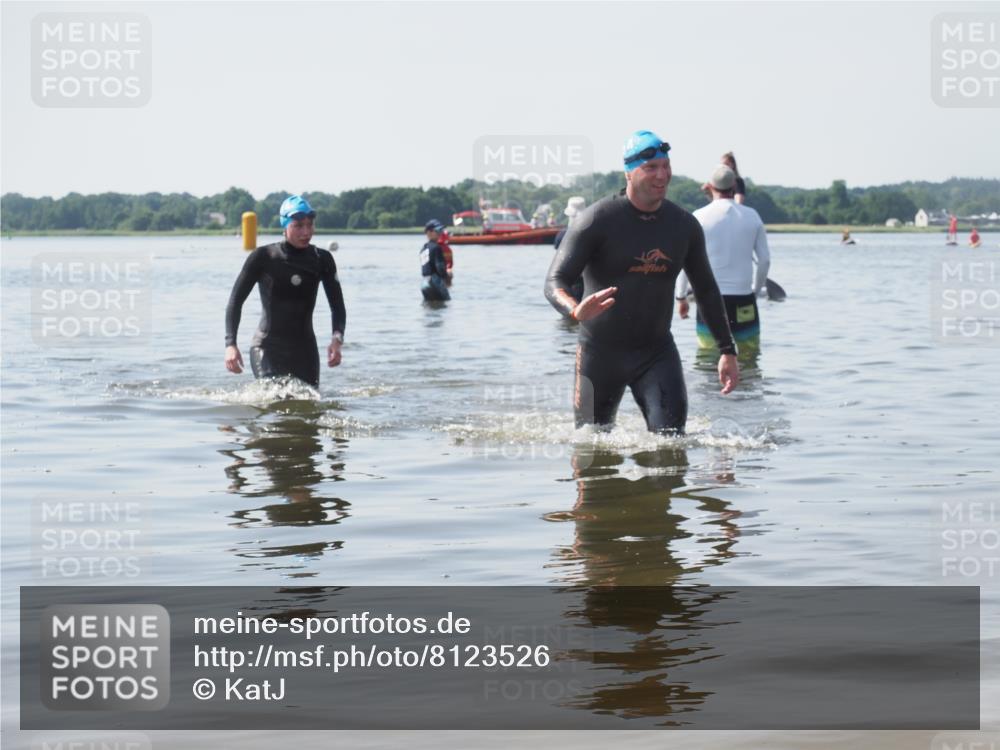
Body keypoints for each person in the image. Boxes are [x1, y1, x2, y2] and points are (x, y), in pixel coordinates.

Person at [544, 130, 739, 435]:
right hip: (599, 353)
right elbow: (556, 280)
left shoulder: (684, 226)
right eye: (651, 168)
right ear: (629, 172)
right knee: (590, 448)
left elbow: (707, 290)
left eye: (666, 166)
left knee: (671, 447)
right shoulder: (597, 220)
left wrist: (727, 350)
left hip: (656, 353)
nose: (662, 175)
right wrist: (574, 310)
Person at [224, 195, 345, 387]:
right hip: (267, 347)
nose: (306, 231)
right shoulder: (264, 257)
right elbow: (235, 301)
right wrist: (230, 344)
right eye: (298, 226)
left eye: (310, 224)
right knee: (274, 398)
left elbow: (337, 305)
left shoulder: (322, 259)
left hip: (304, 350)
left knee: (309, 405)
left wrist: (337, 340)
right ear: (285, 225)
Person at [676, 165, 771, 353]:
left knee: (708, 358)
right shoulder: (752, 216)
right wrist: (756, 291)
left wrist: (680, 298)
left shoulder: (699, 217)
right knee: (749, 356)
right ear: (734, 186)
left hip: (709, 303)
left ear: (710, 186)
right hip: (744, 299)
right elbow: (765, 261)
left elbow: (685, 262)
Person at [552, 196, 587, 311]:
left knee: (571, 312)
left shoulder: (562, 235)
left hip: (568, 279)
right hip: (588, 280)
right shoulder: (592, 232)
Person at [421, 219, 451, 301]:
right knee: (445, 303)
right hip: (435, 281)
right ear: (429, 232)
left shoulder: (423, 248)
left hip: (424, 283)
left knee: (429, 307)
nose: (440, 233)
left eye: (441, 230)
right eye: (438, 230)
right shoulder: (436, 247)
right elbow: (440, 266)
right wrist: (446, 277)